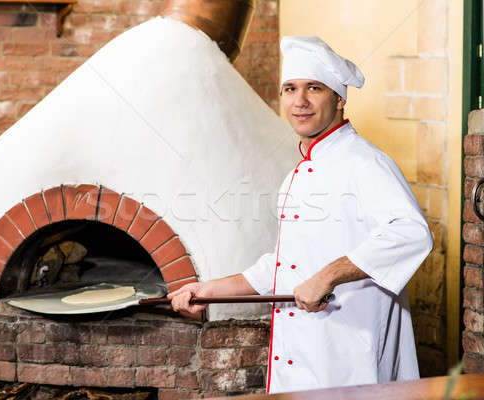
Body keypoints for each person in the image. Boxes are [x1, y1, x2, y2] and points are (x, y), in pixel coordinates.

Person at [168, 36, 433, 394]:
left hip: (349, 350)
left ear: (339, 99)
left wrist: (328, 276)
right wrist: (208, 290)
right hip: (304, 351)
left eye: (314, 88)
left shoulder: (364, 162)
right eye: (290, 89)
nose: (300, 101)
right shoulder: (296, 175)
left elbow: (412, 232)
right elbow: (284, 264)